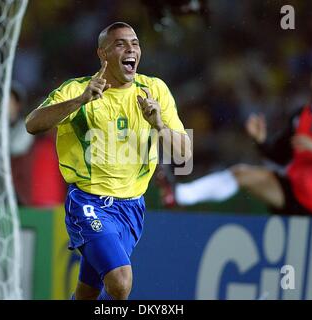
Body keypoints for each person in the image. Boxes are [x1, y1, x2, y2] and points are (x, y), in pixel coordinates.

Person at [25, 22, 191, 300]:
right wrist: (79, 101)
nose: (131, 49)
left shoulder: (154, 90)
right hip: (88, 203)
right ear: (102, 54)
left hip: (132, 208)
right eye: (120, 44)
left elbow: (185, 153)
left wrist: (159, 125)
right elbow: (32, 124)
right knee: (120, 282)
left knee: (87, 293)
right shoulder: (78, 89)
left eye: (135, 43)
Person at [161, 51, 312, 218]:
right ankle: (180, 194)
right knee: (241, 173)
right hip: (292, 192)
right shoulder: (301, 114)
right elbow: (281, 155)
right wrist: (261, 141)